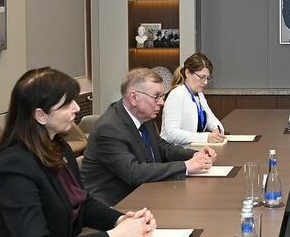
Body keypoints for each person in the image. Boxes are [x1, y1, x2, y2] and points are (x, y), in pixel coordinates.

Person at [0, 68, 156, 237]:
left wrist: (120, 220)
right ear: (40, 115)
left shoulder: (57, 147)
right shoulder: (12, 168)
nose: (77, 108)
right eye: (67, 104)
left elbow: (82, 203)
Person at [82, 68, 217, 206]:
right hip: (115, 204)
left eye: (162, 96)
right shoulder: (109, 128)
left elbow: (162, 148)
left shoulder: (144, 118)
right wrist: (185, 166)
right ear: (134, 98)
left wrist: (195, 155)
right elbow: (134, 172)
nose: (162, 102)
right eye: (156, 96)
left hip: (145, 194)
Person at [161, 53, 225, 146]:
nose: (205, 82)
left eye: (208, 78)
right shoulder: (176, 95)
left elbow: (212, 120)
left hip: (192, 149)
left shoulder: (199, 95)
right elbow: (172, 134)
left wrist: (218, 130)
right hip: (173, 151)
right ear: (187, 73)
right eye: (202, 77)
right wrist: (206, 137)